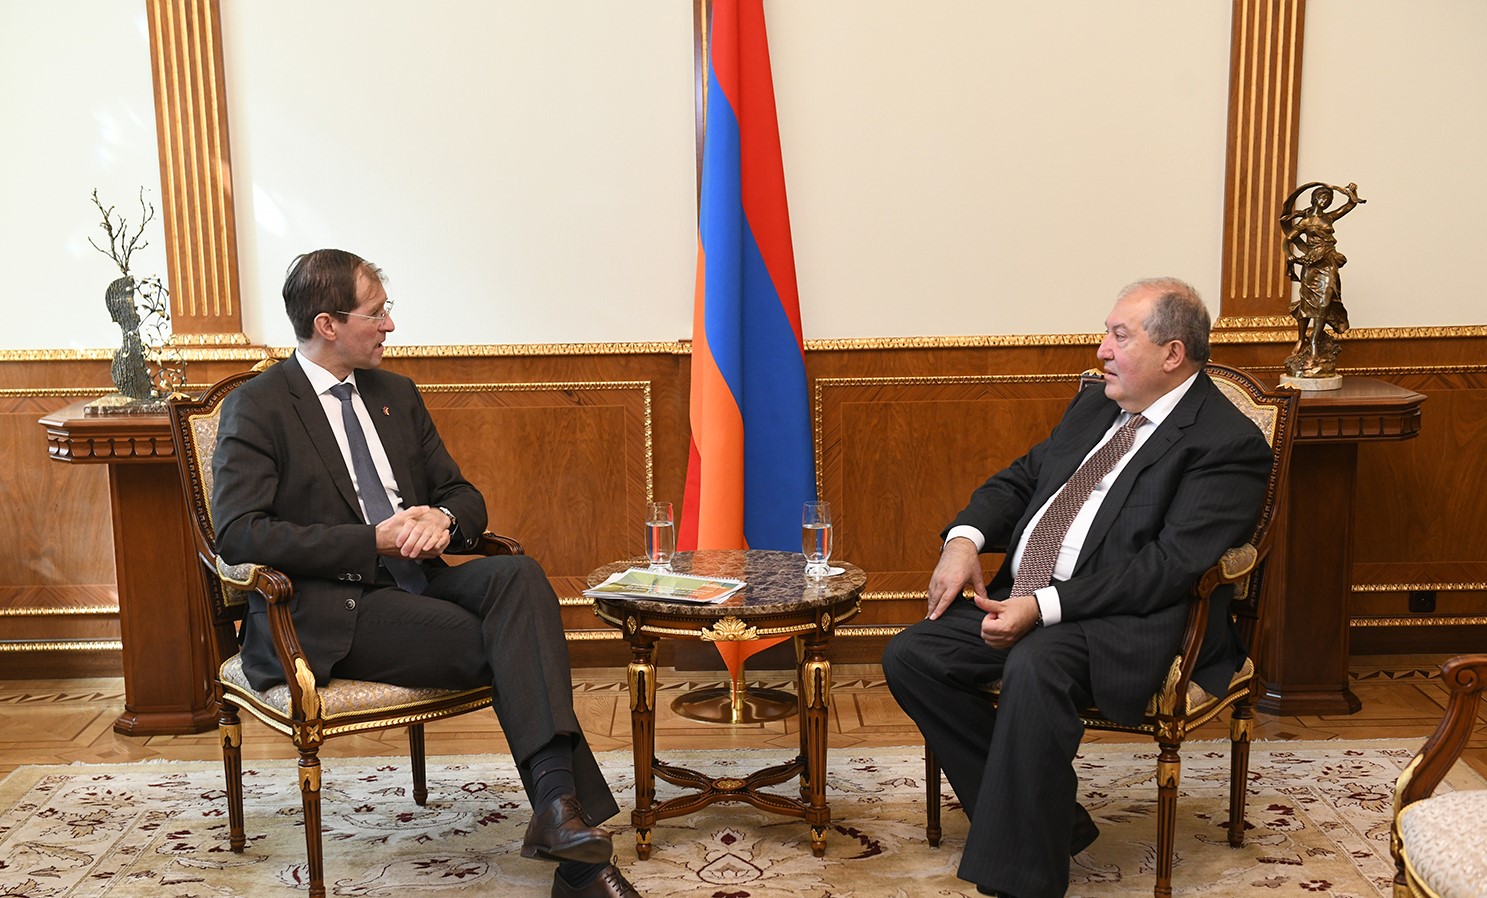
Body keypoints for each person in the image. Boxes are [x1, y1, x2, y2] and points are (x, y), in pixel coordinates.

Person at [212, 248, 643, 898]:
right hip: (329, 609)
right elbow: (241, 533)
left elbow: (464, 495)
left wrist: (443, 519)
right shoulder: (260, 406)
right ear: (328, 324)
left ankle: (560, 820)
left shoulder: (396, 395)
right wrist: (371, 540)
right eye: (376, 313)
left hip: (421, 582)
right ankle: (574, 848)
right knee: (515, 646)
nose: (389, 325)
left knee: (521, 577)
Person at [882, 278, 1273, 898]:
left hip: (1132, 621)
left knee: (1037, 663)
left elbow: (1169, 567)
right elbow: (1019, 480)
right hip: (1032, 595)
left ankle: (1024, 880)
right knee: (912, 655)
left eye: (1120, 336)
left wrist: (1042, 607)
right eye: (1105, 334)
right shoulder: (1096, 406)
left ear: (1172, 354)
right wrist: (964, 540)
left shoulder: (1227, 442)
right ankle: (1054, 821)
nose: (1101, 350)